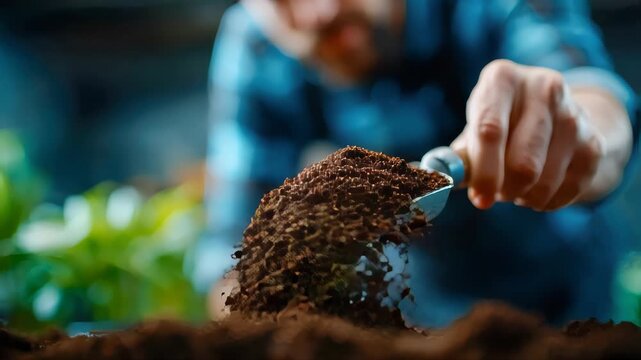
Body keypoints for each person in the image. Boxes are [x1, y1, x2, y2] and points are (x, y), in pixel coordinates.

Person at [197, 0, 639, 326]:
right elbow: (234, 256)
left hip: (562, 301)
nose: (321, 13)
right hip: (417, 318)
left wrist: (582, 133)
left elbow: (594, 103)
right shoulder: (254, 43)